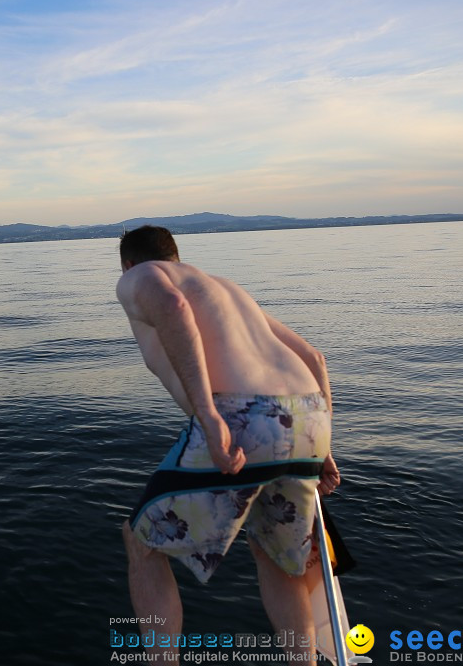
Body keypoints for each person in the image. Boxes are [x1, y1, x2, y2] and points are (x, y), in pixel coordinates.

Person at [116, 226, 341, 664]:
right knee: (279, 559)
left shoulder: (138, 276)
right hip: (310, 417)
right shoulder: (227, 289)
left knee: (140, 541)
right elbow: (315, 358)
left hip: (241, 415)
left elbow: (174, 307)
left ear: (129, 262)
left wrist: (209, 414)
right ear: (177, 256)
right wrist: (325, 451)